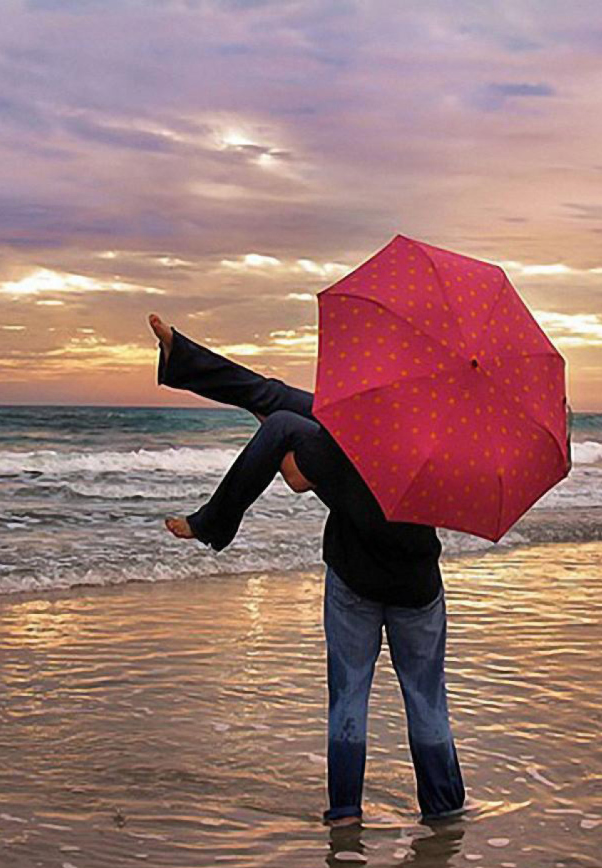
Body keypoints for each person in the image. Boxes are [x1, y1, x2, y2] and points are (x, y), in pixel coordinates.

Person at [148, 314, 467, 828]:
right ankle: (446, 812)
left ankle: (345, 815)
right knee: (427, 704)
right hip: (416, 585)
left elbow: (295, 477)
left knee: (349, 702)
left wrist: (283, 448)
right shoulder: (446, 439)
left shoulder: (350, 434)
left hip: (354, 582)